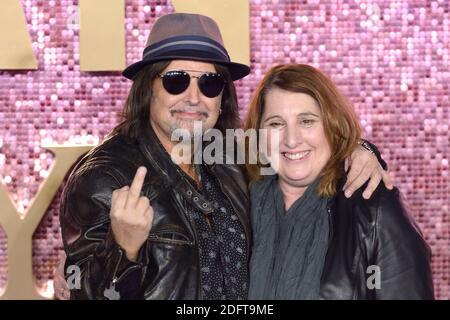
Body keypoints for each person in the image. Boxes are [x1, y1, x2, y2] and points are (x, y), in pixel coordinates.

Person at [59, 13, 390, 300]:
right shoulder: (103, 178)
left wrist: (359, 150)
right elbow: (86, 291)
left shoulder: (231, 154)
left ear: (222, 98)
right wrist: (123, 250)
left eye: (210, 83)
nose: (193, 98)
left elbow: (302, 148)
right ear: (148, 90)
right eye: (176, 81)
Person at [245, 64, 434, 300]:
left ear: (332, 124)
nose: (291, 140)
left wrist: (359, 146)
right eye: (276, 124)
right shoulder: (239, 206)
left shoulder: (375, 208)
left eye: (307, 121)